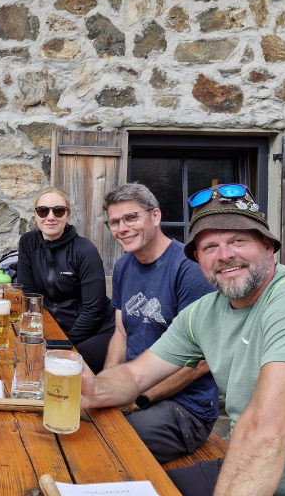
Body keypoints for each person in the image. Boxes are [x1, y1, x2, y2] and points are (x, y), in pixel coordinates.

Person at [82, 183, 285, 496]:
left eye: (238, 241)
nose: (225, 255)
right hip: (249, 467)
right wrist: (89, 391)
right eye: (209, 247)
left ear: (268, 245)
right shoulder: (204, 313)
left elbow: (265, 432)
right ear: (198, 258)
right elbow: (135, 375)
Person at [102, 183, 217, 463]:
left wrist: (139, 399)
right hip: (135, 384)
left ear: (155, 216)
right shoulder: (124, 266)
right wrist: (103, 385)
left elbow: (202, 361)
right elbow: (121, 333)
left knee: (111, 443)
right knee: (85, 422)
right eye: (115, 222)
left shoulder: (190, 269)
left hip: (185, 407)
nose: (122, 228)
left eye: (131, 218)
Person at [17, 187, 115, 373]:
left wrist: (62, 344)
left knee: (58, 369)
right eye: (43, 211)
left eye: (58, 211)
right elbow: (29, 294)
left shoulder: (84, 249)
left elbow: (94, 310)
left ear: (68, 215)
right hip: (54, 328)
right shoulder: (28, 242)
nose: (50, 217)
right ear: (35, 214)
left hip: (96, 330)